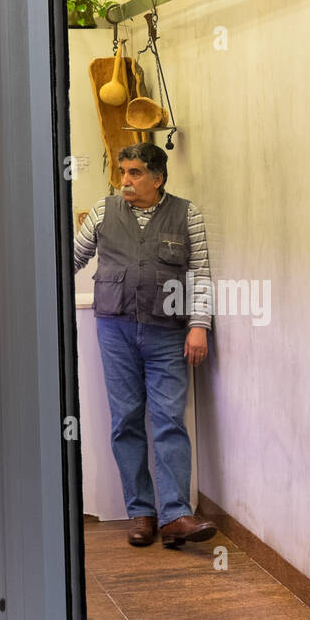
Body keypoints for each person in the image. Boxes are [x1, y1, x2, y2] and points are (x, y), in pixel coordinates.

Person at [74, 142, 217, 550]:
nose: (126, 181)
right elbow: (71, 257)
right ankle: (140, 513)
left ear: (158, 177)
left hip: (168, 333)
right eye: (123, 172)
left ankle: (175, 515)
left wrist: (199, 325)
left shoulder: (187, 214)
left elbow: (201, 274)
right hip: (115, 330)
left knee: (170, 420)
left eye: (135, 173)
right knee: (126, 421)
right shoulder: (103, 212)